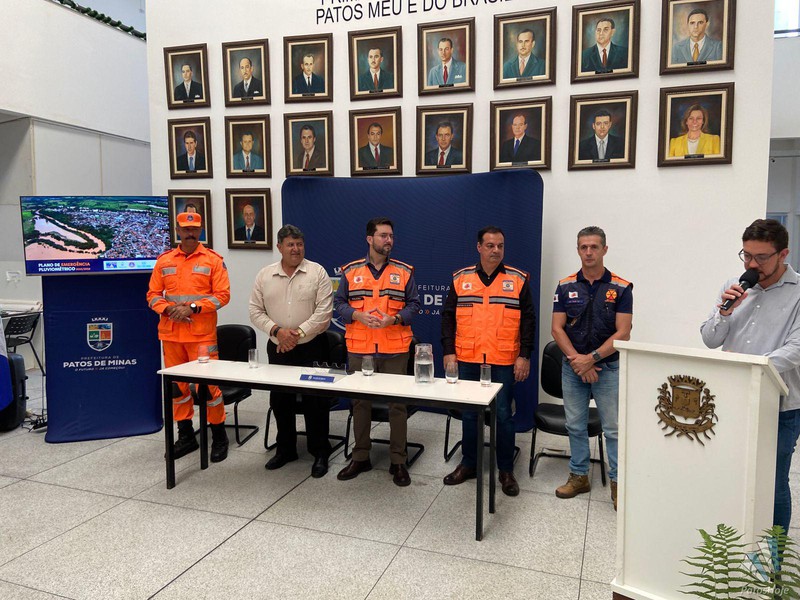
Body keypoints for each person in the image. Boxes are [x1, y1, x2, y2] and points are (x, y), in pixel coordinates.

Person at [701, 219, 800, 535]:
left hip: (780, 407)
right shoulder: (735, 285)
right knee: (731, 474)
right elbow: (709, 339)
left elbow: (795, 350)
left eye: (761, 257)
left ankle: (774, 554)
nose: (752, 265)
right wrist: (725, 312)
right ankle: (733, 541)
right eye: (746, 255)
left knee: (772, 481)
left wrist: (746, 367)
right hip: (732, 400)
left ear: (783, 254)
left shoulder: (798, 293)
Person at [441, 226, 536, 497]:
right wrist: (448, 351)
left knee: (503, 415)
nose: (496, 250)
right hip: (468, 358)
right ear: (479, 247)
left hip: (503, 360)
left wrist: (524, 355)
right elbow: (448, 317)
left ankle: (505, 470)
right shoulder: (461, 279)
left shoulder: (517, 279)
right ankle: (469, 463)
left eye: (500, 246)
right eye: (490, 245)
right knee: (470, 414)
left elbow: (528, 320)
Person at [334, 217, 420, 487]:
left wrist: (394, 319)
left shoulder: (404, 272)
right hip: (360, 349)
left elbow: (415, 305)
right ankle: (361, 456)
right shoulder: (351, 271)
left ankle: (398, 461)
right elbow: (339, 303)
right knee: (360, 404)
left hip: (395, 350)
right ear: (370, 239)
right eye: (383, 235)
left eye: (391, 236)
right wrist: (357, 315)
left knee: (397, 406)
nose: (389, 240)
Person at [551, 226, 633, 511]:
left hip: (608, 368)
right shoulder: (565, 286)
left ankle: (618, 483)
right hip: (573, 368)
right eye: (583, 247)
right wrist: (579, 361)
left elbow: (624, 333)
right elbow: (557, 328)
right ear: (578, 250)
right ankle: (579, 476)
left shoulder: (621, 287)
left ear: (604, 250)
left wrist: (592, 358)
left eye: (594, 247)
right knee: (575, 425)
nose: (588, 252)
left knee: (613, 429)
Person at [249, 224, 334, 478]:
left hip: (313, 347)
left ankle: (320, 451)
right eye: (290, 244)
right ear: (279, 247)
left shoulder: (317, 272)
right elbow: (255, 311)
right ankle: (286, 449)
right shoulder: (265, 275)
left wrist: (295, 335)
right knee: (280, 400)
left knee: (315, 402)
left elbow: (324, 313)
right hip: (278, 347)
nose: (295, 249)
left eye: (299, 244)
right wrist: (277, 331)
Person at [146, 212, 231, 463]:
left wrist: (192, 308)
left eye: (194, 229)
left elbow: (222, 296)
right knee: (177, 388)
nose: (190, 233)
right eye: (185, 229)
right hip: (172, 334)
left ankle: (219, 436)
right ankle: (186, 435)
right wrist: (167, 309)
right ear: (178, 231)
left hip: (201, 336)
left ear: (200, 230)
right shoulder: (164, 261)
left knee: (207, 389)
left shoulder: (213, 260)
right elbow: (152, 295)